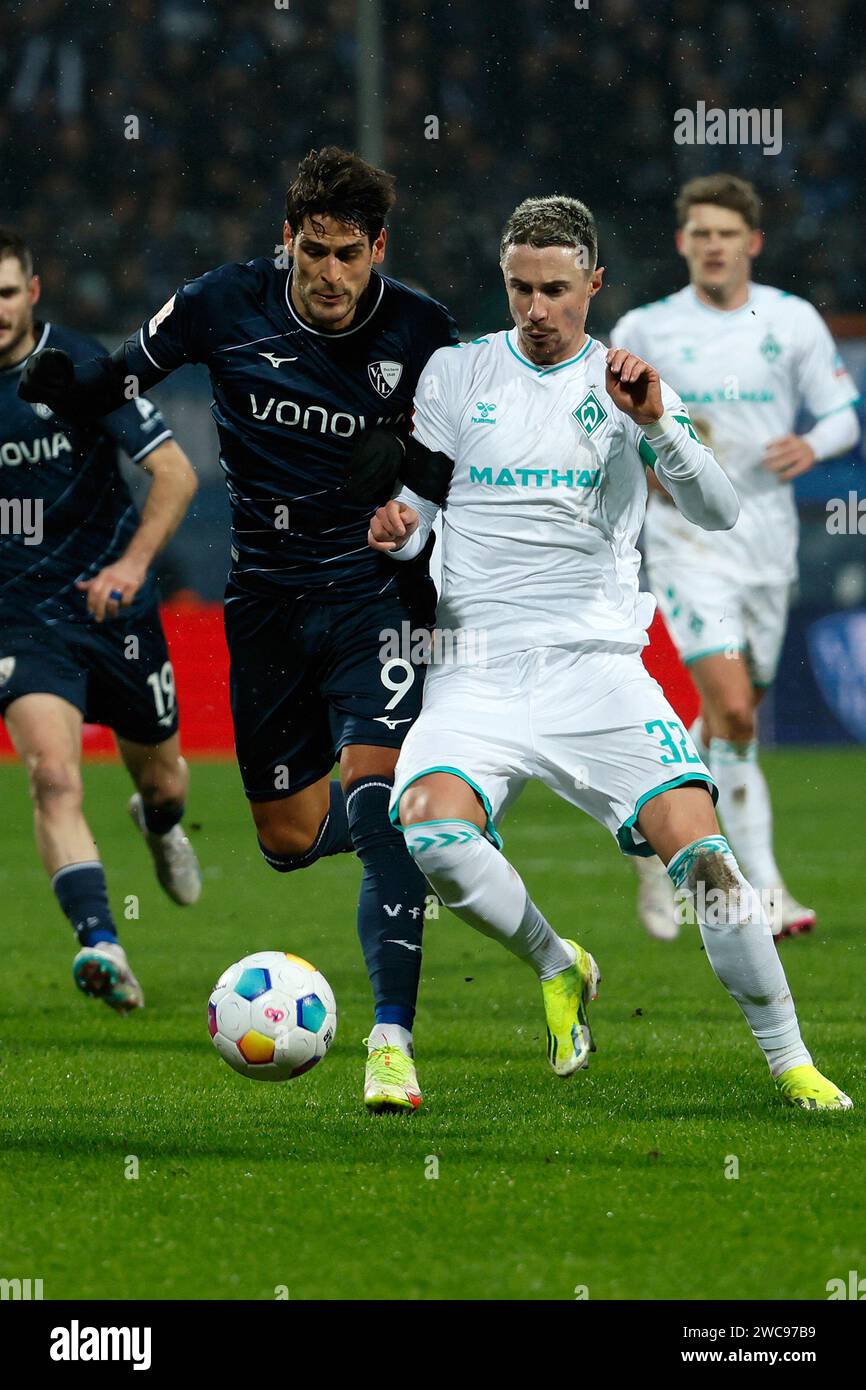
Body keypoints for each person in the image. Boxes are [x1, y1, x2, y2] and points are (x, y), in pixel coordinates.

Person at [368, 195, 851, 1111]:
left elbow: (717, 511)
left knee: (708, 867)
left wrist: (661, 423)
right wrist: (396, 532)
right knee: (428, 827)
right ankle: (558, 962)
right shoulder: (454, 374)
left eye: (555, 290)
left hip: (598, 671)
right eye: (520, 289)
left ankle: (790, 1060)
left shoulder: (626, 383)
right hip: (476, 668)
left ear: (593, 284)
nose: (536, 309)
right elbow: (419, 515)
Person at [20, 148, 459, 1110]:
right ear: (286, 241)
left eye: (351, 254)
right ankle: (453, 817)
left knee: (373, 798)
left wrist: (414, 482)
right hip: (261, 604)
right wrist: (68, 380)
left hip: (373, 598)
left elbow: (475, 467)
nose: (332, 274)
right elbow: (124, 371)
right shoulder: (224, 301)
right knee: (290, 839)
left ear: (378, 247)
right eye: (314, 252)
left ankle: (391, 1042)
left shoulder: (425, 331)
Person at [611, 175, 861, 943]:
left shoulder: (789, 322)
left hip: (767, 547)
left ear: (751, 242)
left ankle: (655, 838)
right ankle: (766, 889)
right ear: (682, 242)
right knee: (740, 713)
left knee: (727, 721)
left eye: (727, 234)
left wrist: (810, 444)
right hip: (688, 543)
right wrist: (644, 460)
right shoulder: (646, 328)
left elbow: (845, 416)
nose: (713, 245)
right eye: (700, 233)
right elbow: (604, 423)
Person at [0, 229, 201, 1014]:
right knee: (51, 775)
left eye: (7, 293)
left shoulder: (82, 368)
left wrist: (130, 567)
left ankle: (160, 826)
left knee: (165, 781)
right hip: (22, 619)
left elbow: (176, 473)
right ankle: (101, 943)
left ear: (34, 292)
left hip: (112, 610)